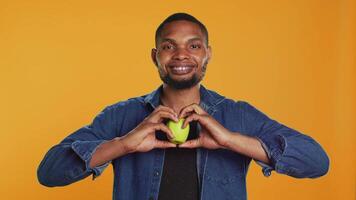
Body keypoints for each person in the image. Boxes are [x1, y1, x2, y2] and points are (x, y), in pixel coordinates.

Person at [37, 13, 330, 200]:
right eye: (169, 46)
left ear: (207, 54)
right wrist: (123, 144)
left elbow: (317, 162)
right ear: (155, 56)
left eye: (193, 46)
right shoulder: (122, 116)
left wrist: (231, 140)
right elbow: (49, 172)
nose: (181, 55)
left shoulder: (237, 115)